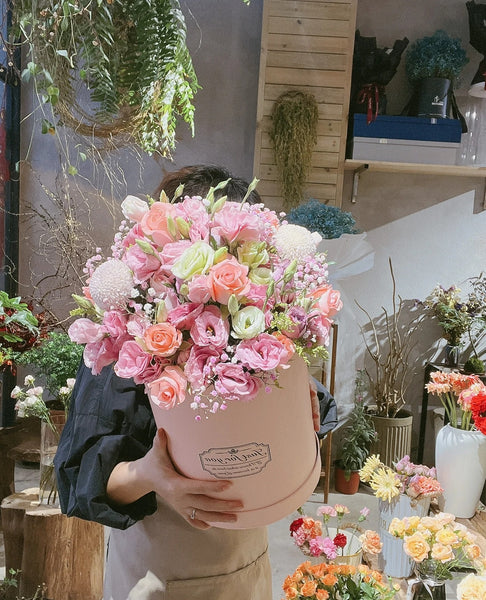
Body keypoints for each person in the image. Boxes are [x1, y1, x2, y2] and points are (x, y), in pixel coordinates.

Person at [55, 165, 330, 600]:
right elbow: (80, 479)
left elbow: (296, 422)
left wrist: (303, 409)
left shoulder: (260, 329)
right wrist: (151, 475)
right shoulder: (129, 345)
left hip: (248, 566)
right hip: (161, 576)